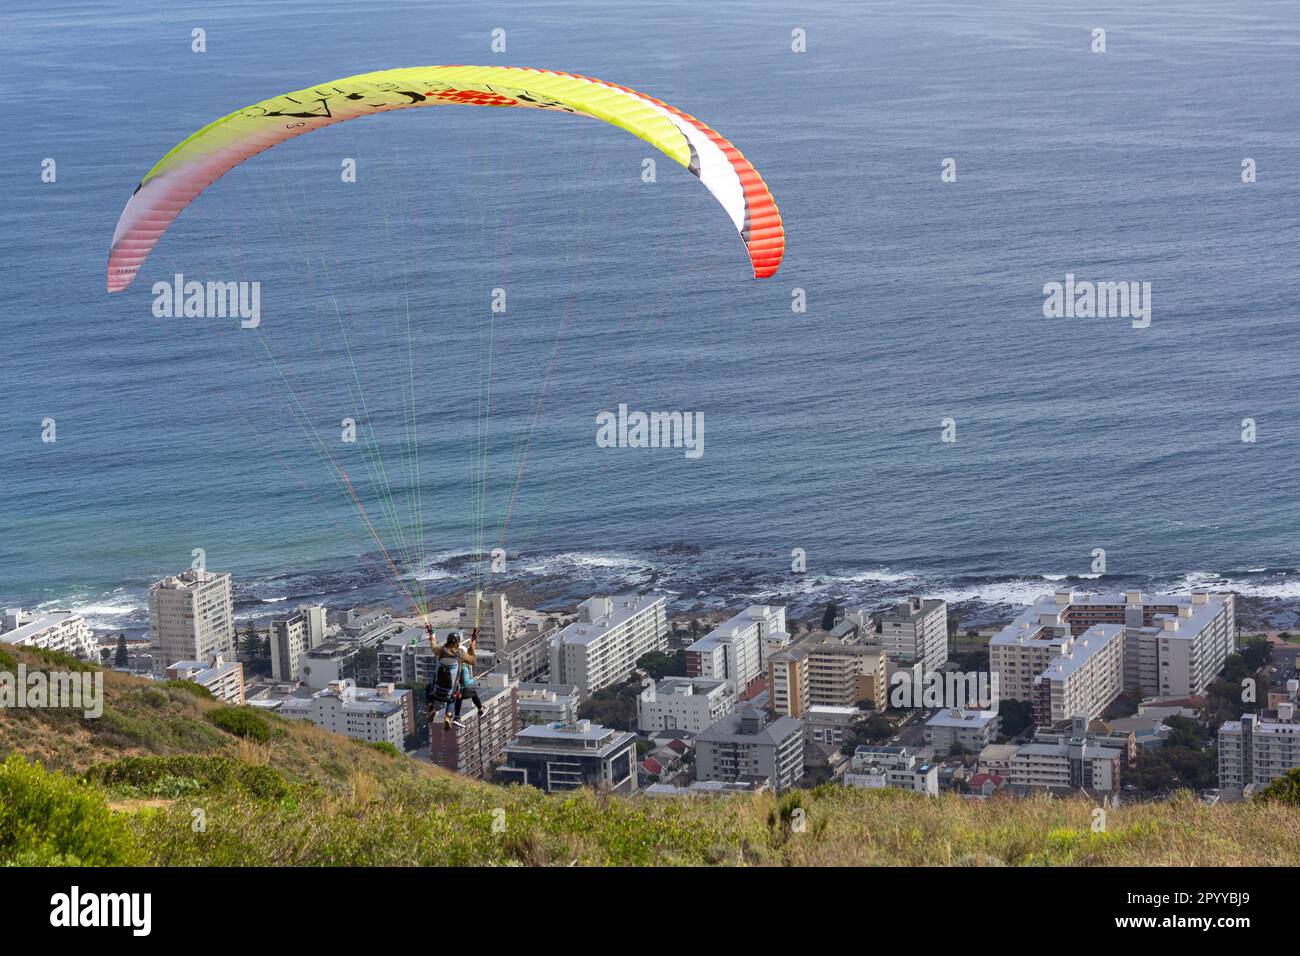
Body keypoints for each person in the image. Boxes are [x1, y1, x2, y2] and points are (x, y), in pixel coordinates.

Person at [452, 630, 483, 725]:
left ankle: (457, 717)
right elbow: (466, 682)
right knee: (473, 693)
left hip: (453, 691)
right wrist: (474, 679)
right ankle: (480, 709)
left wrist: (473, 638)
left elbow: (470, 650)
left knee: (459, 698)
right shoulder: (464, 668)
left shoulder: (455, 664)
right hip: (462, 689)